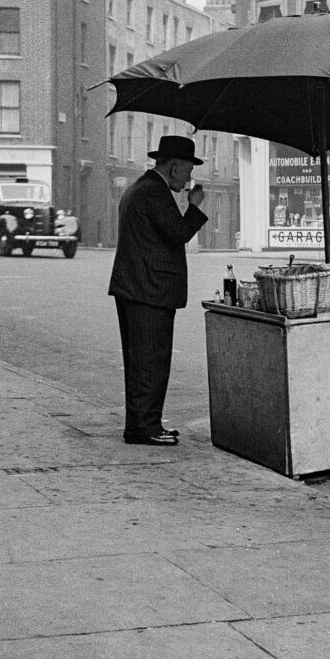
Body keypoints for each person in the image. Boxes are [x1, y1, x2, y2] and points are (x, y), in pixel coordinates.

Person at [108, 135, 208, 446]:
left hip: (137, 288)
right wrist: (193, 207)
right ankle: (145, 427)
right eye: (188, 170)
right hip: (148, 291)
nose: (190, 178)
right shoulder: (154, 193)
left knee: (142, 361)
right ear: (174, 167)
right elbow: (177, 233)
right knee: (151, 361)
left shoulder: (141, 188)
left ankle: (143, 423)